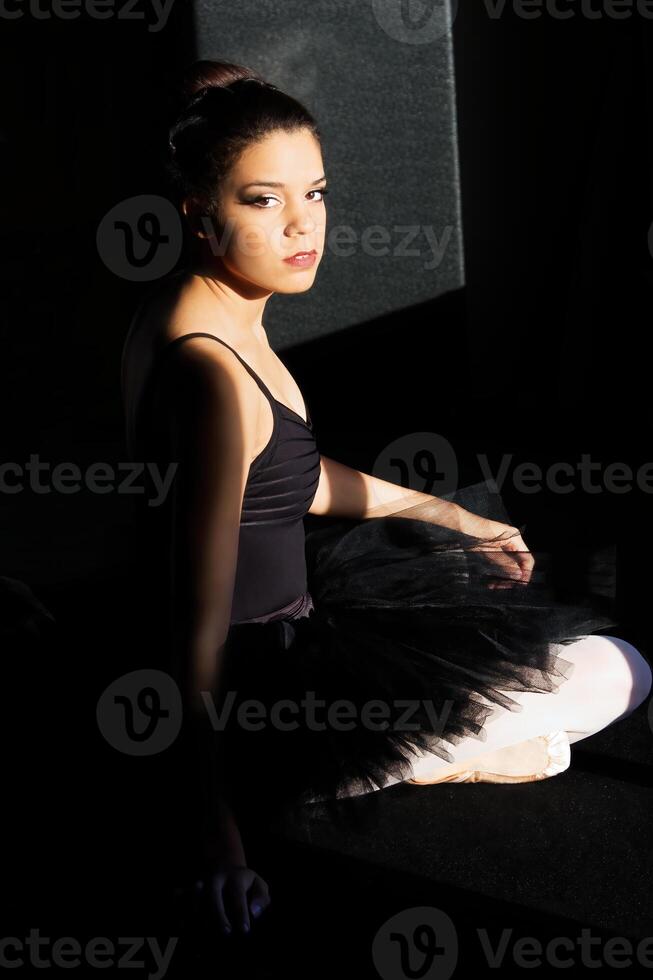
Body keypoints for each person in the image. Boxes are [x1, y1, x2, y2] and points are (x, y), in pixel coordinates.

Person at [120, 59, 652, 939]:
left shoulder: (185, 312)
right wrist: (217, 833)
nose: (304, 226)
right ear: (199, 213)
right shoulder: (210, 374)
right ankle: (384, 767)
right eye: (263, 201)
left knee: (494, 612)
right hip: (262, 690)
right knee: (621, 669)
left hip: (270, 623)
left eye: (316, 193)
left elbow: (277, 476)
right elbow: (197, 623)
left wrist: (450, 515)